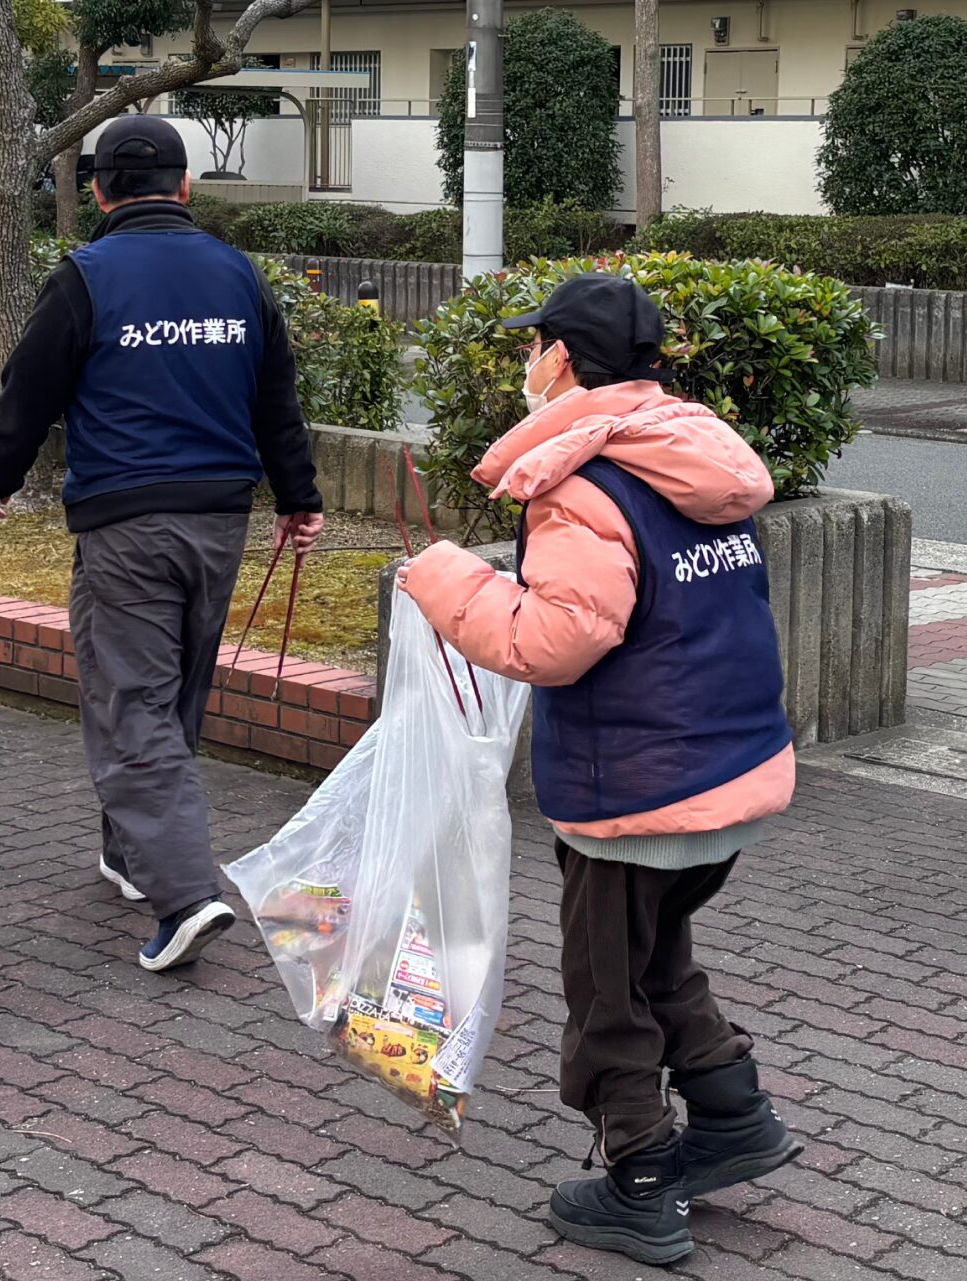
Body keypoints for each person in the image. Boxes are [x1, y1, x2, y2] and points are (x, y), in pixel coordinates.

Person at [398, 274, 802, 1266]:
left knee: (605, 989)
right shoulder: (696, 463)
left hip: (640, 783)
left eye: (533, 349)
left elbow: (558, 641)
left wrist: (445, 579)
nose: (527, 367)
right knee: (655, 957)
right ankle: (732, 1116)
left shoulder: (583, 486)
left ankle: (640, 1178)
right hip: (732, 766)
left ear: (565, 361)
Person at [0, 115, 325, 974]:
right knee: (169, 696)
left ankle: (185, 895)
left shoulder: (86, 275)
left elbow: (29, 392)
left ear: (98, 192)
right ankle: (132, 855)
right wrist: (300, 497)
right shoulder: (239, 274)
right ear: (186, 186)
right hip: (220, 522)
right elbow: (275, 395)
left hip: (126, 523)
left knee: (130, 701)